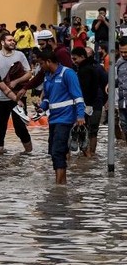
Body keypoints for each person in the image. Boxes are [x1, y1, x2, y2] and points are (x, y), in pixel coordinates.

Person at [36, 50, 86, 185]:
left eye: (41, 64)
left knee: (58, 152)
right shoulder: (47, 76)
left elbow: (78, 96)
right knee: (53, 152)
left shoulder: (67, 74)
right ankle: (61, 183)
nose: (41, 67)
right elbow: (48, 98)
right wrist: (42, 108)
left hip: (66, 119)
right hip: (53, 119)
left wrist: (80, 115)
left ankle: (59, 186)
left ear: (48, 62)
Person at [0, 33, 33, 155]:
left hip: (18, 97)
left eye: (13, 40)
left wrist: (16, 81)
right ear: (2, 42)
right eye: (9, 40)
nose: (13, 42)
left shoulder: (20, 55)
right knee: (0, 127)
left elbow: (29, 73)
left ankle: (29, 153)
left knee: (20, 127)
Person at [71, 47, 107, 156]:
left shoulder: (85, 70)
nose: (74, 61)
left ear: (83, 57)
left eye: (75, 59)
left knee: (86, 130)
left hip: (90, 104)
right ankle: (90, 156)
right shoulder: (93, 67)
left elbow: (102, 85)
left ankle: (88, 155)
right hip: (95, 103)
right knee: (91, 131)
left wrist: (86, 105)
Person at [116, 38, 127, 142]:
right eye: (121, 52)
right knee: (124, 126)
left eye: (126, 52)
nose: (123, 54)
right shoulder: (119, 62)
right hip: (122, 102)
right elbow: (116, 80)